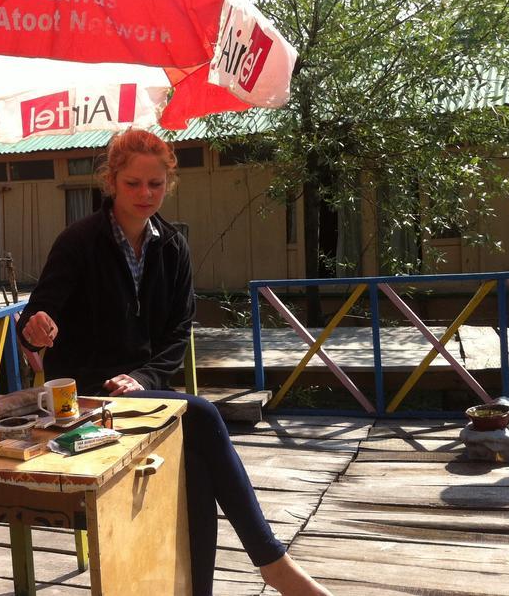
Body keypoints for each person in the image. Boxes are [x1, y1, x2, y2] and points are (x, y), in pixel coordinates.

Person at [18, 129, 331, 596]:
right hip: (82, 405)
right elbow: (37, 316)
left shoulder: (173, 246)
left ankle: (217, 585)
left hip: (143, 395)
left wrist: (142, 377)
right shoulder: (78, 242)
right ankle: (273, 564)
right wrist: (35, 328)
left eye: (155, 184)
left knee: (199, 459)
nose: (145, 194)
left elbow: (176, 333)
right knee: (202, 413)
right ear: (111, 182)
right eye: (133, 184)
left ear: (168, 184)